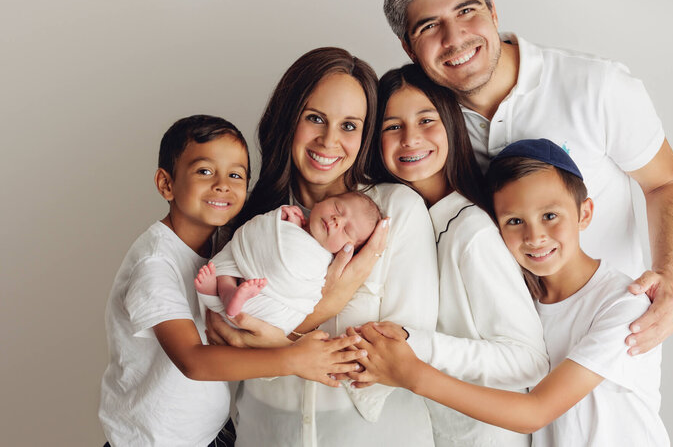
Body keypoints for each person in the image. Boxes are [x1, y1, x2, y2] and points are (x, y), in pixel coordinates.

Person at [383, 0, 673, 355]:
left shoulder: (595, 86)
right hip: (495, 364)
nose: (454, 37)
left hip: (610, 341)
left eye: (466, 11)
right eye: (428, 27)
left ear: (494, 12)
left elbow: (668, 183)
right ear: (409, 48)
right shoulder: (425, 129)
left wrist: (668, 280)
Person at [352, 138, 669, 446]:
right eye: (515, 221)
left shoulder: (624, 304)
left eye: (549, 216)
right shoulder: (525, 302)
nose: (535, 236)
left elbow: (537, 412)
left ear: (584, 213)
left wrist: (413, 374)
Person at [204, 47, 440, 447]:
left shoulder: (396, 212)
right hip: (266, 433)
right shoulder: (249, 220)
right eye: (315, 118)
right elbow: (224, 342)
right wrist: (331, 303)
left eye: (349, 126)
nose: (330, 141)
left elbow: (405, 352)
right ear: (288, 118)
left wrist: (274, 345)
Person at [98, 115, 366, 447]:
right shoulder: (154, 263)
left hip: (211, 433)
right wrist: (294, 359)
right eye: (204, 171)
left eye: (236, 175)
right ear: (166, 184)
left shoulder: (225, 249)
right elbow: (192, 361)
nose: (222, 184)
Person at [360, 64, 549, 446]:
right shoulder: (398, 219)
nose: (410, 139)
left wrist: (417, 346)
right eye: (392, 126)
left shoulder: (472, 231)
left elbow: (528, 361)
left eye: (426, 120)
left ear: (450, 124)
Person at [195, 191, 381, 335]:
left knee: (234, 276)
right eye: (337, 208)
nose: (337, 220)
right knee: (229, 263)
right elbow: (258, 231)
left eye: (347, 230)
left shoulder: (325, 262)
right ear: (321, 201)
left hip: (270, 303)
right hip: (244, 268)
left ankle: (230, 296)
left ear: (346, 250)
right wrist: (283, 220)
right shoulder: (290, 219)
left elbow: (310, 292)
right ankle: (227, 294)